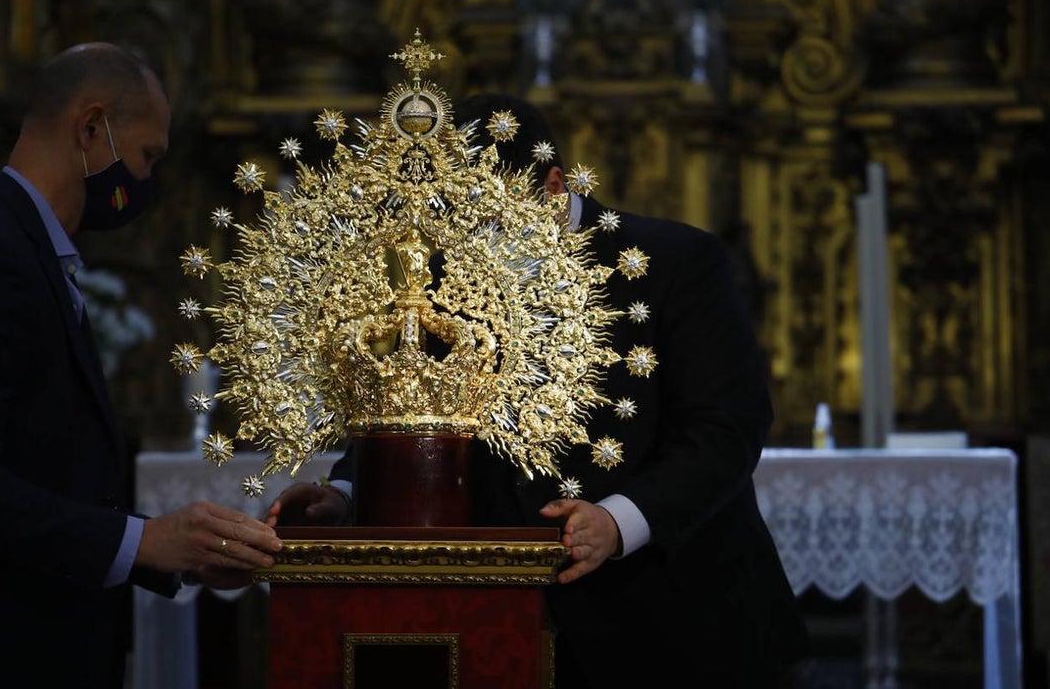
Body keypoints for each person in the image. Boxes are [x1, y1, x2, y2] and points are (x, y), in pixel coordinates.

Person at [268, 93, 809, 687]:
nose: (471, 247)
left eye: (490, 222)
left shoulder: (675, 262)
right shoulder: (441, 276)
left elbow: (727, 426)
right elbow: (409, 405)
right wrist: (346, 494)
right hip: (497, 627)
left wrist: (618, 521)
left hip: (676, 623)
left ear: (553, 187)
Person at [0, 42, 283, 688]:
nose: (147, 181)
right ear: (90, 128)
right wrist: (141, 541)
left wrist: (174, 551)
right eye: (146, 156)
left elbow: (47, 469)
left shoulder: (30, 251)